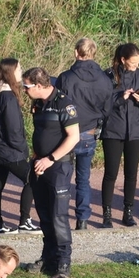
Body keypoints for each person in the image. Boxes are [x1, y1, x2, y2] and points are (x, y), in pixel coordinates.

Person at [21, 67, 80, 276]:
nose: (24, 90)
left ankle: (64, 262)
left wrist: (50, 159)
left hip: (58, 166)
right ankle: (48, 258)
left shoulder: (64, 103)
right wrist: (38, 157)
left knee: (58, 216)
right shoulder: (37, 104)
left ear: (38, 85)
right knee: (44, 214)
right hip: (39, 165)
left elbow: (74, 137)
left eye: (26, 86)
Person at [56, 37, 114, 230]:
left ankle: (61, 217)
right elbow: (107, 108)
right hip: (89, 132)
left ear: (76, 53)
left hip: (67, 133)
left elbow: (58, 105)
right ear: (93, 53)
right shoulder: (105, 80)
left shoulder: (66, 78)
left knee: (63, 178)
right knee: (83, 178)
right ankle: (82, 219)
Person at [101, 43, 139, 228]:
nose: (135, 66)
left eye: (138, 63)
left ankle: (128, 212)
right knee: (110, 173)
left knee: (131, 174)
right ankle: (106, 214)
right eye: (132, 63)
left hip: (136, 131)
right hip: (113, 131)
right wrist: (120, 98)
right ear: (123, 60)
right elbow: (103, 104)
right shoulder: (108, 75)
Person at [0, 58, 38, 235]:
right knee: (33, 178)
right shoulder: (7, 97)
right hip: (9, 150)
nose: (21, 72)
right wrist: (23, 151)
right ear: (10, 72)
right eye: (18, 68)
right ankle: (24, 221)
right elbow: (13, 129)